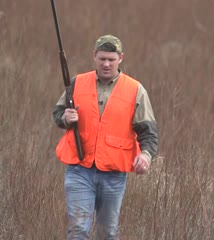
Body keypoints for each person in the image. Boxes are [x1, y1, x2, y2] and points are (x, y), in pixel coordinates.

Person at [52, 34, 159, 240]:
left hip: (114, 175)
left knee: (107, 232)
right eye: (102, 58)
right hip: (79, 169)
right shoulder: (77, 82)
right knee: (78, 230)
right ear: (94, 57)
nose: (107, 64)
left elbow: (148, 132)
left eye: (111, 59)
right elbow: (57, 114)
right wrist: (65, 118)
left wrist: (145, 156)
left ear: (121, 58)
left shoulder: (135, 90)